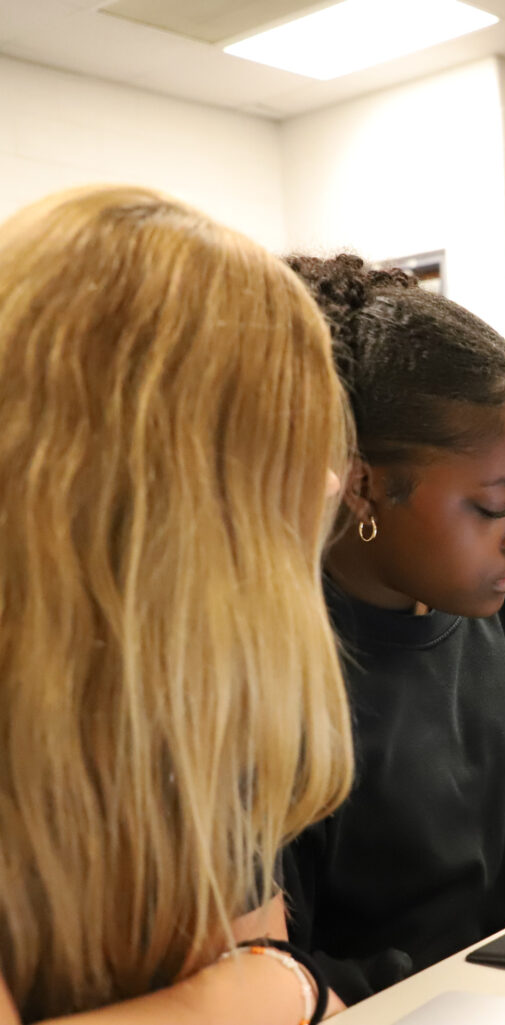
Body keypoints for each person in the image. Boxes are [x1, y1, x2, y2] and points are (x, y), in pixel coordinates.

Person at [0, 186, 354, 1023]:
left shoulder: (175, 697)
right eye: (279, 447)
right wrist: (277, 988)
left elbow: (257, 948)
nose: (331, 485)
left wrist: (272, 982)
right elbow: (268, 975)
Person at [281, 254, 505, 1004]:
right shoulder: (280, 674)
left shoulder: (503, 621)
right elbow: (274, 967)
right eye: (493, 505)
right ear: (366, 484)